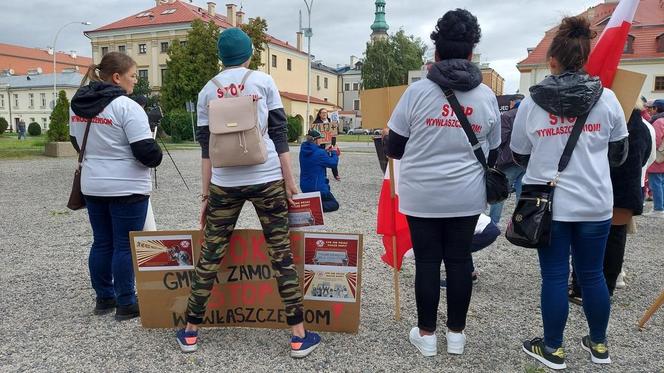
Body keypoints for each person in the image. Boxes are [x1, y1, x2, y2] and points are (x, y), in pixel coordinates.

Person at [176, 28, 321, 358]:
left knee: (210, 254)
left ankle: (190, 332)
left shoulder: (206, 91)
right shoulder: (263, 82)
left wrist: (205, 195)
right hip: (267, 175)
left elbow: (206, 149)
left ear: (220, 56)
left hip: (224, 182)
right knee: (280, 252)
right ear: (248, 53)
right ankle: (298, 335)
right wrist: (291, 182)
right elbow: (280, 136)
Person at [510, 16, 628, 370]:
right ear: (583, 58)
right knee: (592, 274)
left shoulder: (532, 103)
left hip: (550, 204)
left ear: (552, 62)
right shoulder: (606, 99)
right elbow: (619, 154)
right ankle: (599, 345)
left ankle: (553, 348)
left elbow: (518, 153)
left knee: (555, 276)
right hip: (594, 202)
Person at [383, 9, 501, 357]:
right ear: (470, 53)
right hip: (466, 196)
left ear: (435, 54)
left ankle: (427, 336)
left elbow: (396, 148)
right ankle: (457, 337)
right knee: (460, 261)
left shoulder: (416, 93)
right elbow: (493, 153)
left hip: (422, 195)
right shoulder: (486, 97)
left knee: (428, 262)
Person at [69, 52, 163, 321]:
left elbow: (77, 143)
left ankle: (104, 298)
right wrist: (157, 152)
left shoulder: (78, 105)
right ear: (117, 77)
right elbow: (146, 152)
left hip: (93, 183)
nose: (135, 82)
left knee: (102, 242)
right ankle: (126, 303)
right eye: (133, 76)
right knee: (124, 245)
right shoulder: (126, 107)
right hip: (127, 185)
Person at [568, 107, 653, 303]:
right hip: (626, 188)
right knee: (615, 239)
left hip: (601, 186)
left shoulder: (604, 117)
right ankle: (606, 288)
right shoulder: (640, 124)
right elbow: (646, 155)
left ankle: (582, 288)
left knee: (586, 238)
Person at [489, 95, 525, 224]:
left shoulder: (507, 116)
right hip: (526, 161)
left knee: (500, 193)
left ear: (512, 103)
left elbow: (501, 139)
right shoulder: (529, 114)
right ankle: (520, 223)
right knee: (522, 195)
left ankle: (493, 222)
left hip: (508, 161)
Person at [437, 213, 499, 288]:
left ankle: (452, 281)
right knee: (462, 249)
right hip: (489, 227)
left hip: (487, 231)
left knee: (455, 251)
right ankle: (471, 275)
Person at [299, 129, 340, 212]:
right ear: (316, 140)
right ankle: (311, 207)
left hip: (304, 187)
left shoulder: (303, 151)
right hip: (318, 188)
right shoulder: (320, 153)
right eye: (320, 138)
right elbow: (333, 163)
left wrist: (325, 151)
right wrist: (334, 152)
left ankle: (310, 204)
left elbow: (314, 158)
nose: (321, 140)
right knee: (335, 204)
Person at [645, 100, 664, 217]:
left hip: (658, 157)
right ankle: (661, 206)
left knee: (656, 182)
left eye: (652, 108)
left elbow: (655, 141)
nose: (650, 110)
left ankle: (658, 208)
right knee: (661, 182)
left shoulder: (658, 122)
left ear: (656, 109)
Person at [313, 108, 341, 180]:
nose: (324, 114)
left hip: (330, 143)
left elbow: (335, 132)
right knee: (322, 159)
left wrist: (336, 127)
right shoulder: (316, 123)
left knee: (333, 158)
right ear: (319, 114)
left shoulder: (331, 121)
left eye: (326, 112)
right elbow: (313, 133)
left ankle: (336, 174)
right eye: (322, 112)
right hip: (321, 145)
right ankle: (323, 175)